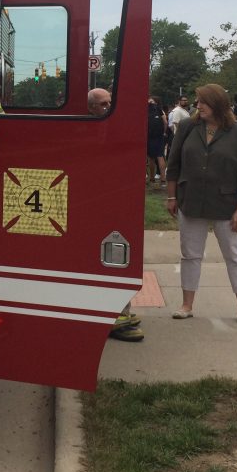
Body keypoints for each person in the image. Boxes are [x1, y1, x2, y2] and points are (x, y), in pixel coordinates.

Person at [166, 84, 237, 323]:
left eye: (202, 102)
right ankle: (186, 305)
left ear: (217, 104)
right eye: (197, 101)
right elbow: (173, 164)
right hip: (191, 201)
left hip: (226, 205)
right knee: (190, 255)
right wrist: (172, 196)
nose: (198, 106)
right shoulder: (187, 127)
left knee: (235, 256)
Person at [88, 87, 143, 342]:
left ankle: (121, 313)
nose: (108, 107)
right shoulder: (84, 130)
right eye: (102, 104)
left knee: (118, 257)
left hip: (115, 202)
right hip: (93, 204)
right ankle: (112, 317)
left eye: (110, 102)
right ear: (90, 107)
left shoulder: (116, 128)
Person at [146, 96, 167, 185]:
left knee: (151, 157)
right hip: (159, 136)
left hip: (150, 136)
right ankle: (163, 180)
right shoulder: (159, 110)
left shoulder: (146, 110)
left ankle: (152, 178)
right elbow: (165, 122)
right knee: (160, 156)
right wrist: (164, 132)